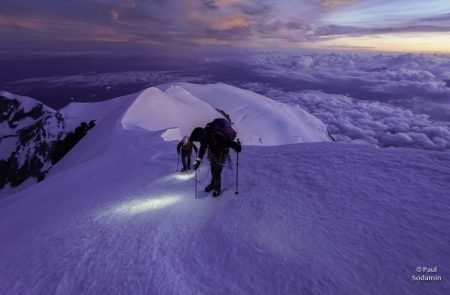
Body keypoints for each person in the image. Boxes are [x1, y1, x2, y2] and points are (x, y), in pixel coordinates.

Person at [189, 122, 242, 197]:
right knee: (213, 170)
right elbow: (202, 150)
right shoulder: (204, 139)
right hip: (213, 153)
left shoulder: (216, 135)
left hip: (222, 153)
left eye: (198, 140)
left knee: (217, 172)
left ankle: (217, 188)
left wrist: (236, 146)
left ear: (201, 136)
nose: (199, 141)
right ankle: (213, 184)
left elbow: (228, 143)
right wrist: (198, 161)